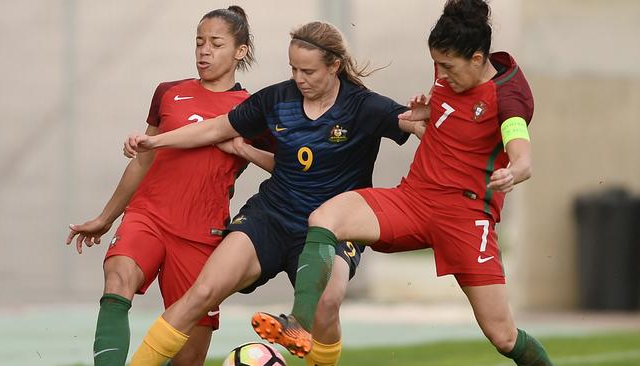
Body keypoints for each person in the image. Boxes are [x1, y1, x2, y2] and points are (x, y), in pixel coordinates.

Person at [255, 1, 556, 365]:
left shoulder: (508, 96)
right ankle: (299, 323)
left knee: (503, 336)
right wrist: (426, 111)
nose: (441, 74)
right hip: (413, 199)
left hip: (465, 215)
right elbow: (451, 109)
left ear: (477, 59)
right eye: (437, 65)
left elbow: (520, 148)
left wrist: (517, 168)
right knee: (324, 218)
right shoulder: (448, 67)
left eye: (448, 66)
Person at [122, 21, 424, 366]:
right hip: (271, 216)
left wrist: (421, 123)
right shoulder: (276, 99)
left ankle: (308, 338)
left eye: (308, 71)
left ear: (334, 66)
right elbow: (215, 128)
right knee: (201, 293)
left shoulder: (364, 107)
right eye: (293, 68)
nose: (299, 79)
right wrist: (155, 140)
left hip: (334, 228)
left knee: (326, 304)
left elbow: (414, 124)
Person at [65, 6, 274, 366]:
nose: (204, 51)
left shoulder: (252, 109)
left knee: (188, 357)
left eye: (215, 43)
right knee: (117, 279)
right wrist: (106, 217)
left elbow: (287, 166)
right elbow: (143, 160)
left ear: (240, 51)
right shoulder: (168, 92)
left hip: (200, 232)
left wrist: (244, 149)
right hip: (148, 215)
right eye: (199, 42)